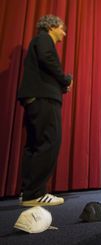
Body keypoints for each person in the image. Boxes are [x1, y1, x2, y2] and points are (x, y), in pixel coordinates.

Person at [17, 15, 73, 206]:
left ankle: (28, 191)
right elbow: (47, 58)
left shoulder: (38, 40)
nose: (64, 34)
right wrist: (65, 80)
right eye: (62, 29)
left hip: (35, 97)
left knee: (34, 145)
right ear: (51, 26)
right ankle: (35, 193)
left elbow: (44, 64)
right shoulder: (43, 39)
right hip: (44, 97)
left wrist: (60, 85)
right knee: (50, 141)